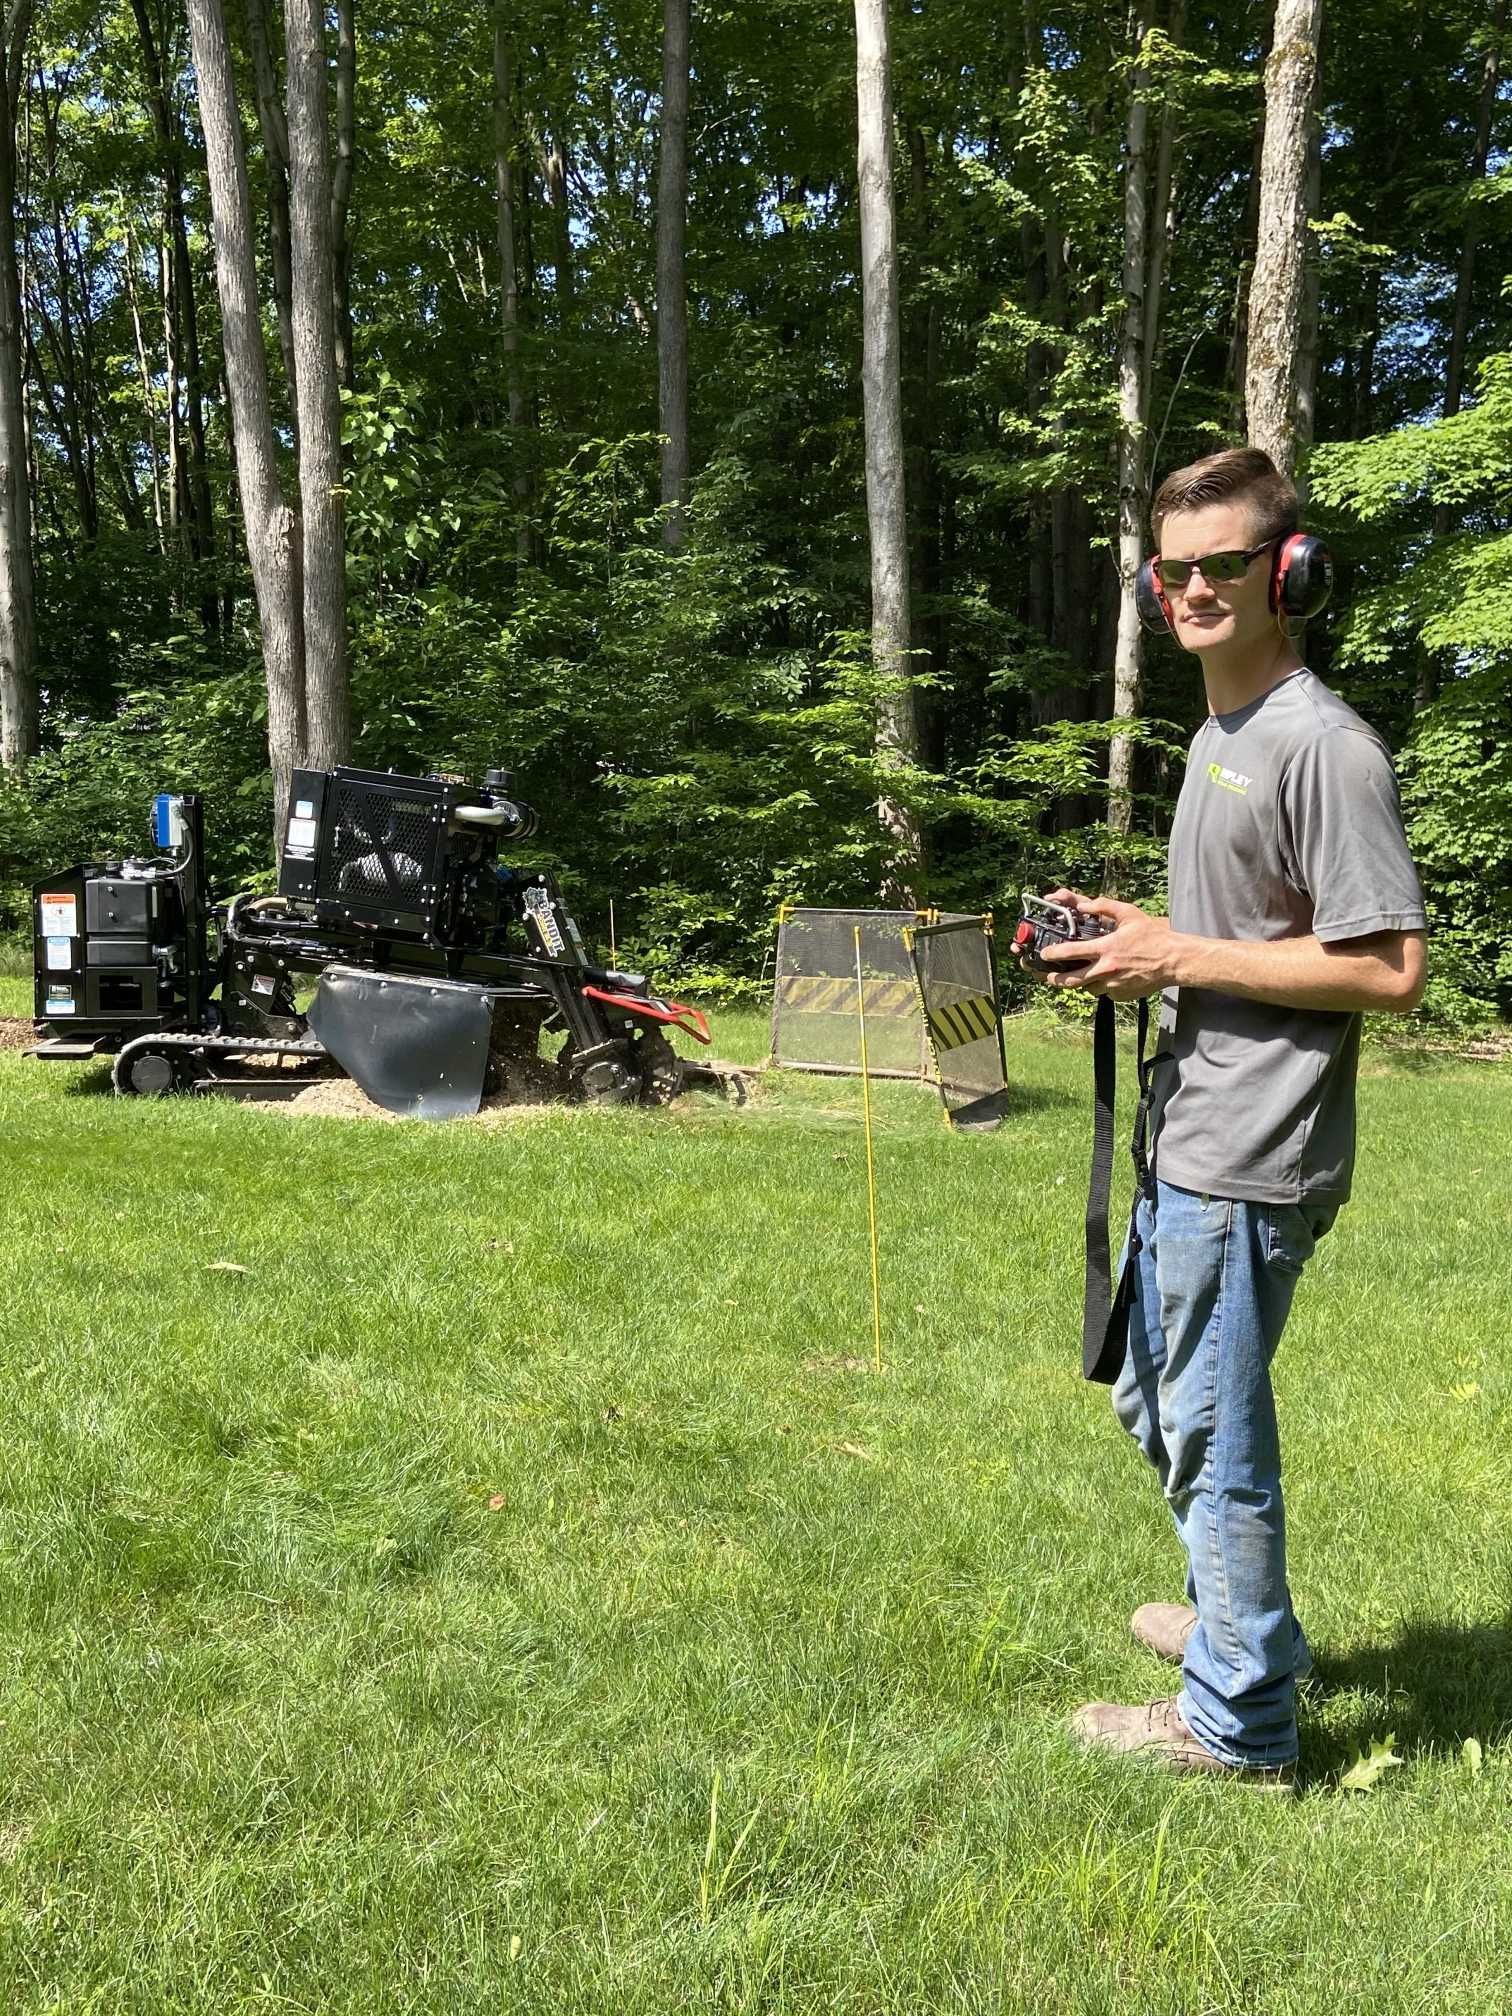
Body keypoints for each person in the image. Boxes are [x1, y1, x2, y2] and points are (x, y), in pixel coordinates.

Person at [1034, 446, 1428, 1790]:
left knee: (1213, 1429)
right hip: (1189, 1130)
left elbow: (1387, 969)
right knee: (1156, 1398)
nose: (1196, 587)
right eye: (1175, 569)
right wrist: (1136, 937)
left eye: (1223, 564)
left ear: (1287, 572)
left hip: (1254, 1153)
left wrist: (1180, 961)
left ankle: (1238, 1724)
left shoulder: (1322, 746)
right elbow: (1235, 931)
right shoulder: (1220, 735)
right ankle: (1239, 1627)